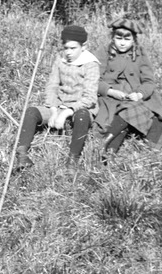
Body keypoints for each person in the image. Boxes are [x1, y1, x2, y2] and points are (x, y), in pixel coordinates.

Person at [14, 24, 100, 169]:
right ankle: (22, 154)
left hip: (80, 108)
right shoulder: (60, 60)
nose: (68, 52)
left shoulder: (91, 64)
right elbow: (52, 86)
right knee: (31, 112)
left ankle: (73, 159)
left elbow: (89, 98)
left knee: (82, 116)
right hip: (59, 106)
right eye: (66, 48)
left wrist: (66, 112)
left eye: (73, 48)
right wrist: (54, 110)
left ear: (83, 47)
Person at [95, 15, 162, 159]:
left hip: (134, 94)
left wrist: (140, 94)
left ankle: (108, 148)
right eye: (118, 38)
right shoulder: (103, 51)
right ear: (112, 37)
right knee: (118, 114)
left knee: (134, 109)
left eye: (127, 39)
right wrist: (110, 91)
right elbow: (94, 78)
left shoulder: (140, 53)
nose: (122, 43)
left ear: (134, 39)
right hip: (110, 95)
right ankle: (108, 150)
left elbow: (149, 81)